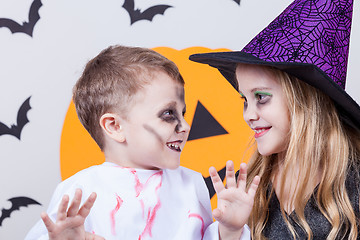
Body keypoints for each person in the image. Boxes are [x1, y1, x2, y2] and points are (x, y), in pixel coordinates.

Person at [25, 45, 260, 240]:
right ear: (115, 126)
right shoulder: (80, 191)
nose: (185, 126)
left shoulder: (191, 183)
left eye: (183, 113)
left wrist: (230, 230)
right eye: (168, 114)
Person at [189, 0, 360, 239]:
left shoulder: (353, 184)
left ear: (305, 102)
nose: (248, 115)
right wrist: (230, 231)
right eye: (245, 100)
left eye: (261, 97)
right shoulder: (250, 186)